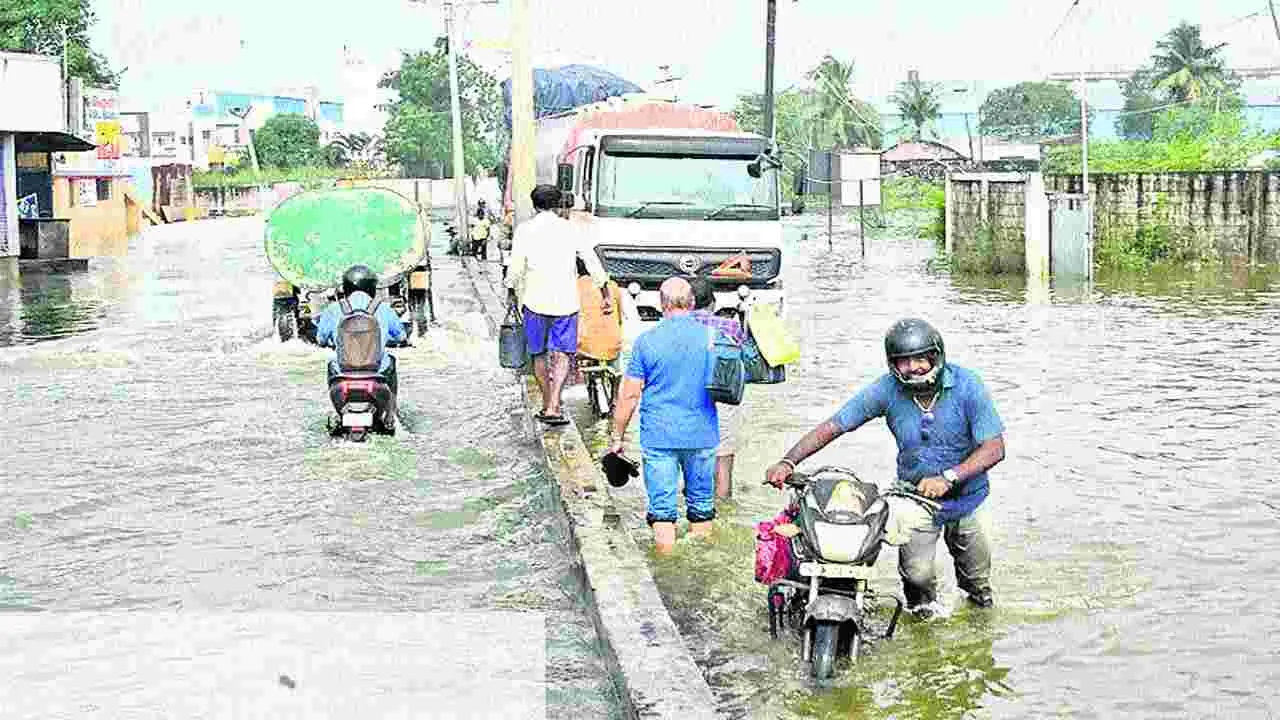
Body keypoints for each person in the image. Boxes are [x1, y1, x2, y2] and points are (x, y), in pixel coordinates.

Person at [764, 318, 1006, 616]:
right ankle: (923, 627)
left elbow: (995, 448)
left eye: (921, 358)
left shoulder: (968, 385)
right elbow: (835, 425)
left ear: (936, 356)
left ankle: (979, 627)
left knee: (977, 584)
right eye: (904, 362)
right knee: (917, 578)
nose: (914, 367)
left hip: (970, 498)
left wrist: (949, 477)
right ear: (893, 365)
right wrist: (788, 461)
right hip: (917, 498)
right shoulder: (887, 390)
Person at [609, 277, 719, 555]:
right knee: (702, 505)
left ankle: (666, 568)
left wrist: (617, 437)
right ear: (692, 303)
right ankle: (700, 567)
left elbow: (630, 396)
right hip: (702, 433)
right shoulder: (711, 337)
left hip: (659, 437)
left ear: (661, 304)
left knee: (662, 510)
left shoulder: (646, 342)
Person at [505, 184, 611, 426]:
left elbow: (516, 267)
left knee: (538, 353)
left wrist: (511, 290)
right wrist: (604, 291)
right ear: (558, 205)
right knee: (562, 353)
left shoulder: (525, 230)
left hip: (534, 302)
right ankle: (554, 404)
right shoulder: (571, 229)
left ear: (535, 205)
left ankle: (546, 403)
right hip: (565, 303)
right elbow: (591, 261)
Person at [315, 265, 408, 424]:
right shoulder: (383, 308)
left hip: (342, 372)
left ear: (345, 288)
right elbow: (401, 336)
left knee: (331, 362)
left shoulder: (333, 309)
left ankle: (336, 412)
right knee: (390, 359)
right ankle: (391, 415)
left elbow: (321, 340)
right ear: (372, 288)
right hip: (377, 372)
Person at [687, 277, 746, 500]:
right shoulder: (730, 326)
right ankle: (723, 504)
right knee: (723, 463)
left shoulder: (680, 328)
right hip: (724, 397)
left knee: (693, 461)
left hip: (690, 399)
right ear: (713, 302)